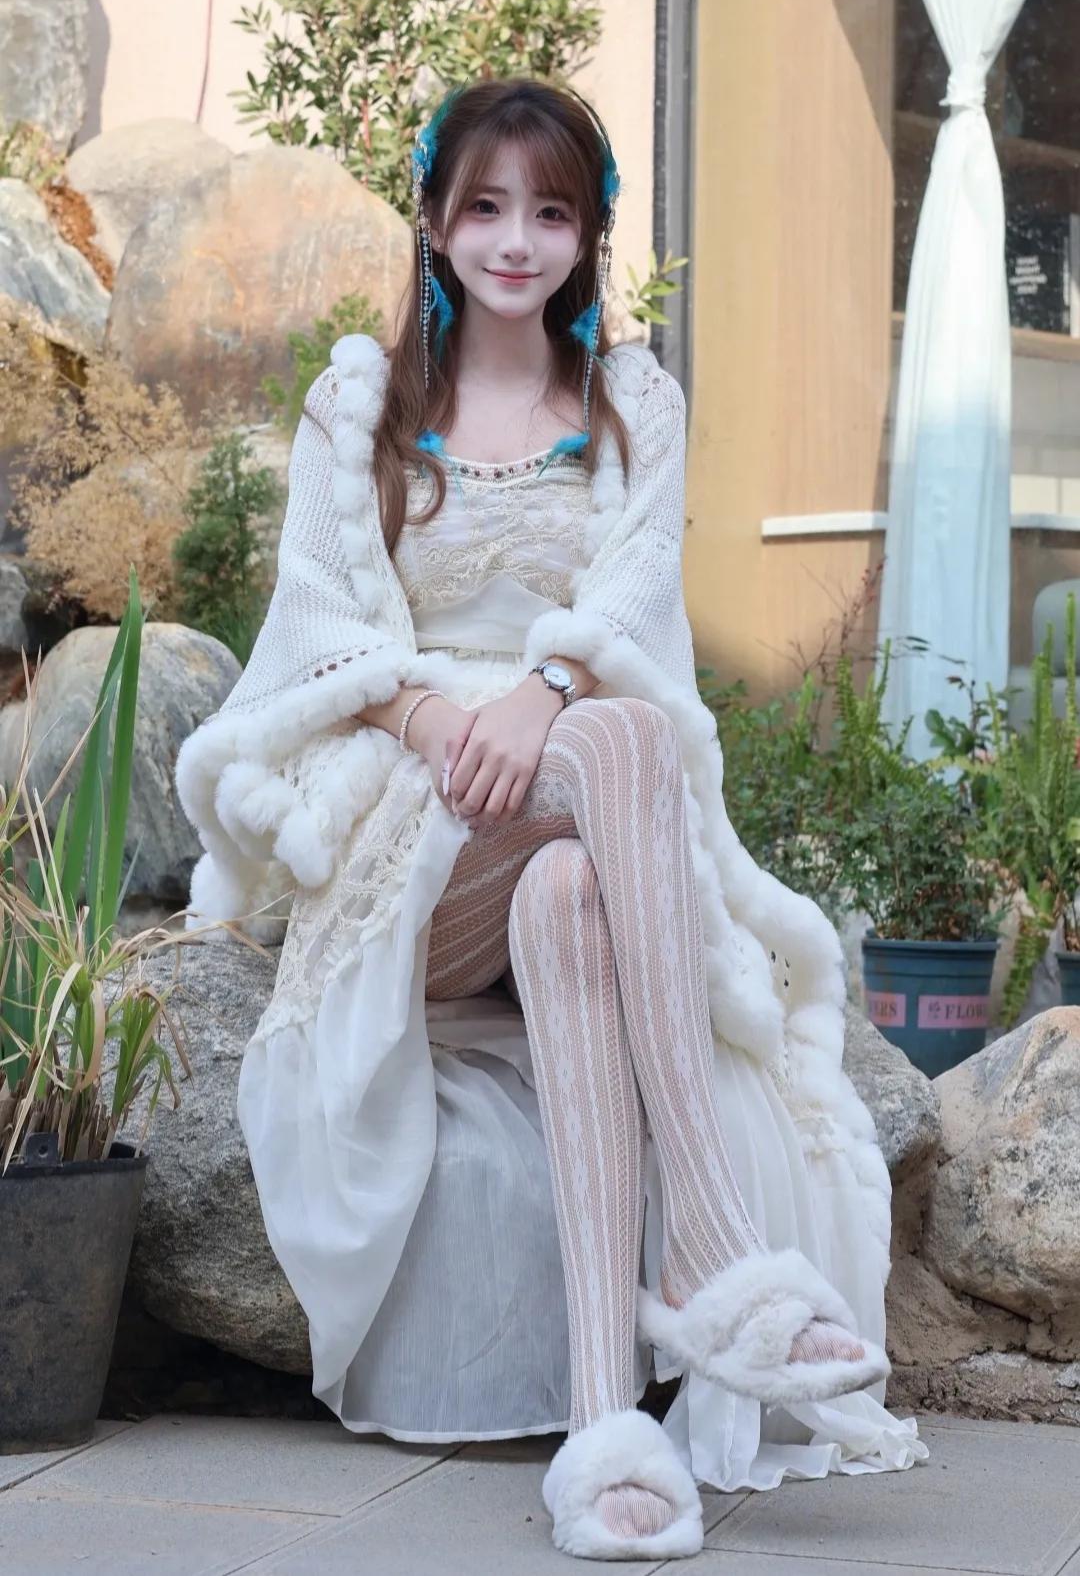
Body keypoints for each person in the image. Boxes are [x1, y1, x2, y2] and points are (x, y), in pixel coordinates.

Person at [175, 76, 927, 1562]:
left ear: (589, 235)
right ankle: (712, 1241)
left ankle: (602, 1431)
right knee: (619, 739)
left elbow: (632, 608)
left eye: (552, 212)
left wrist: (546, 693)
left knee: (576, 882)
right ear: (436, 221)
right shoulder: (361, 407)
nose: (516, 241)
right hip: (408, 838)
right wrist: (438, 715)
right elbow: (318, 630)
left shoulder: (631, 403)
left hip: (575, 802)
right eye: (487, 208)